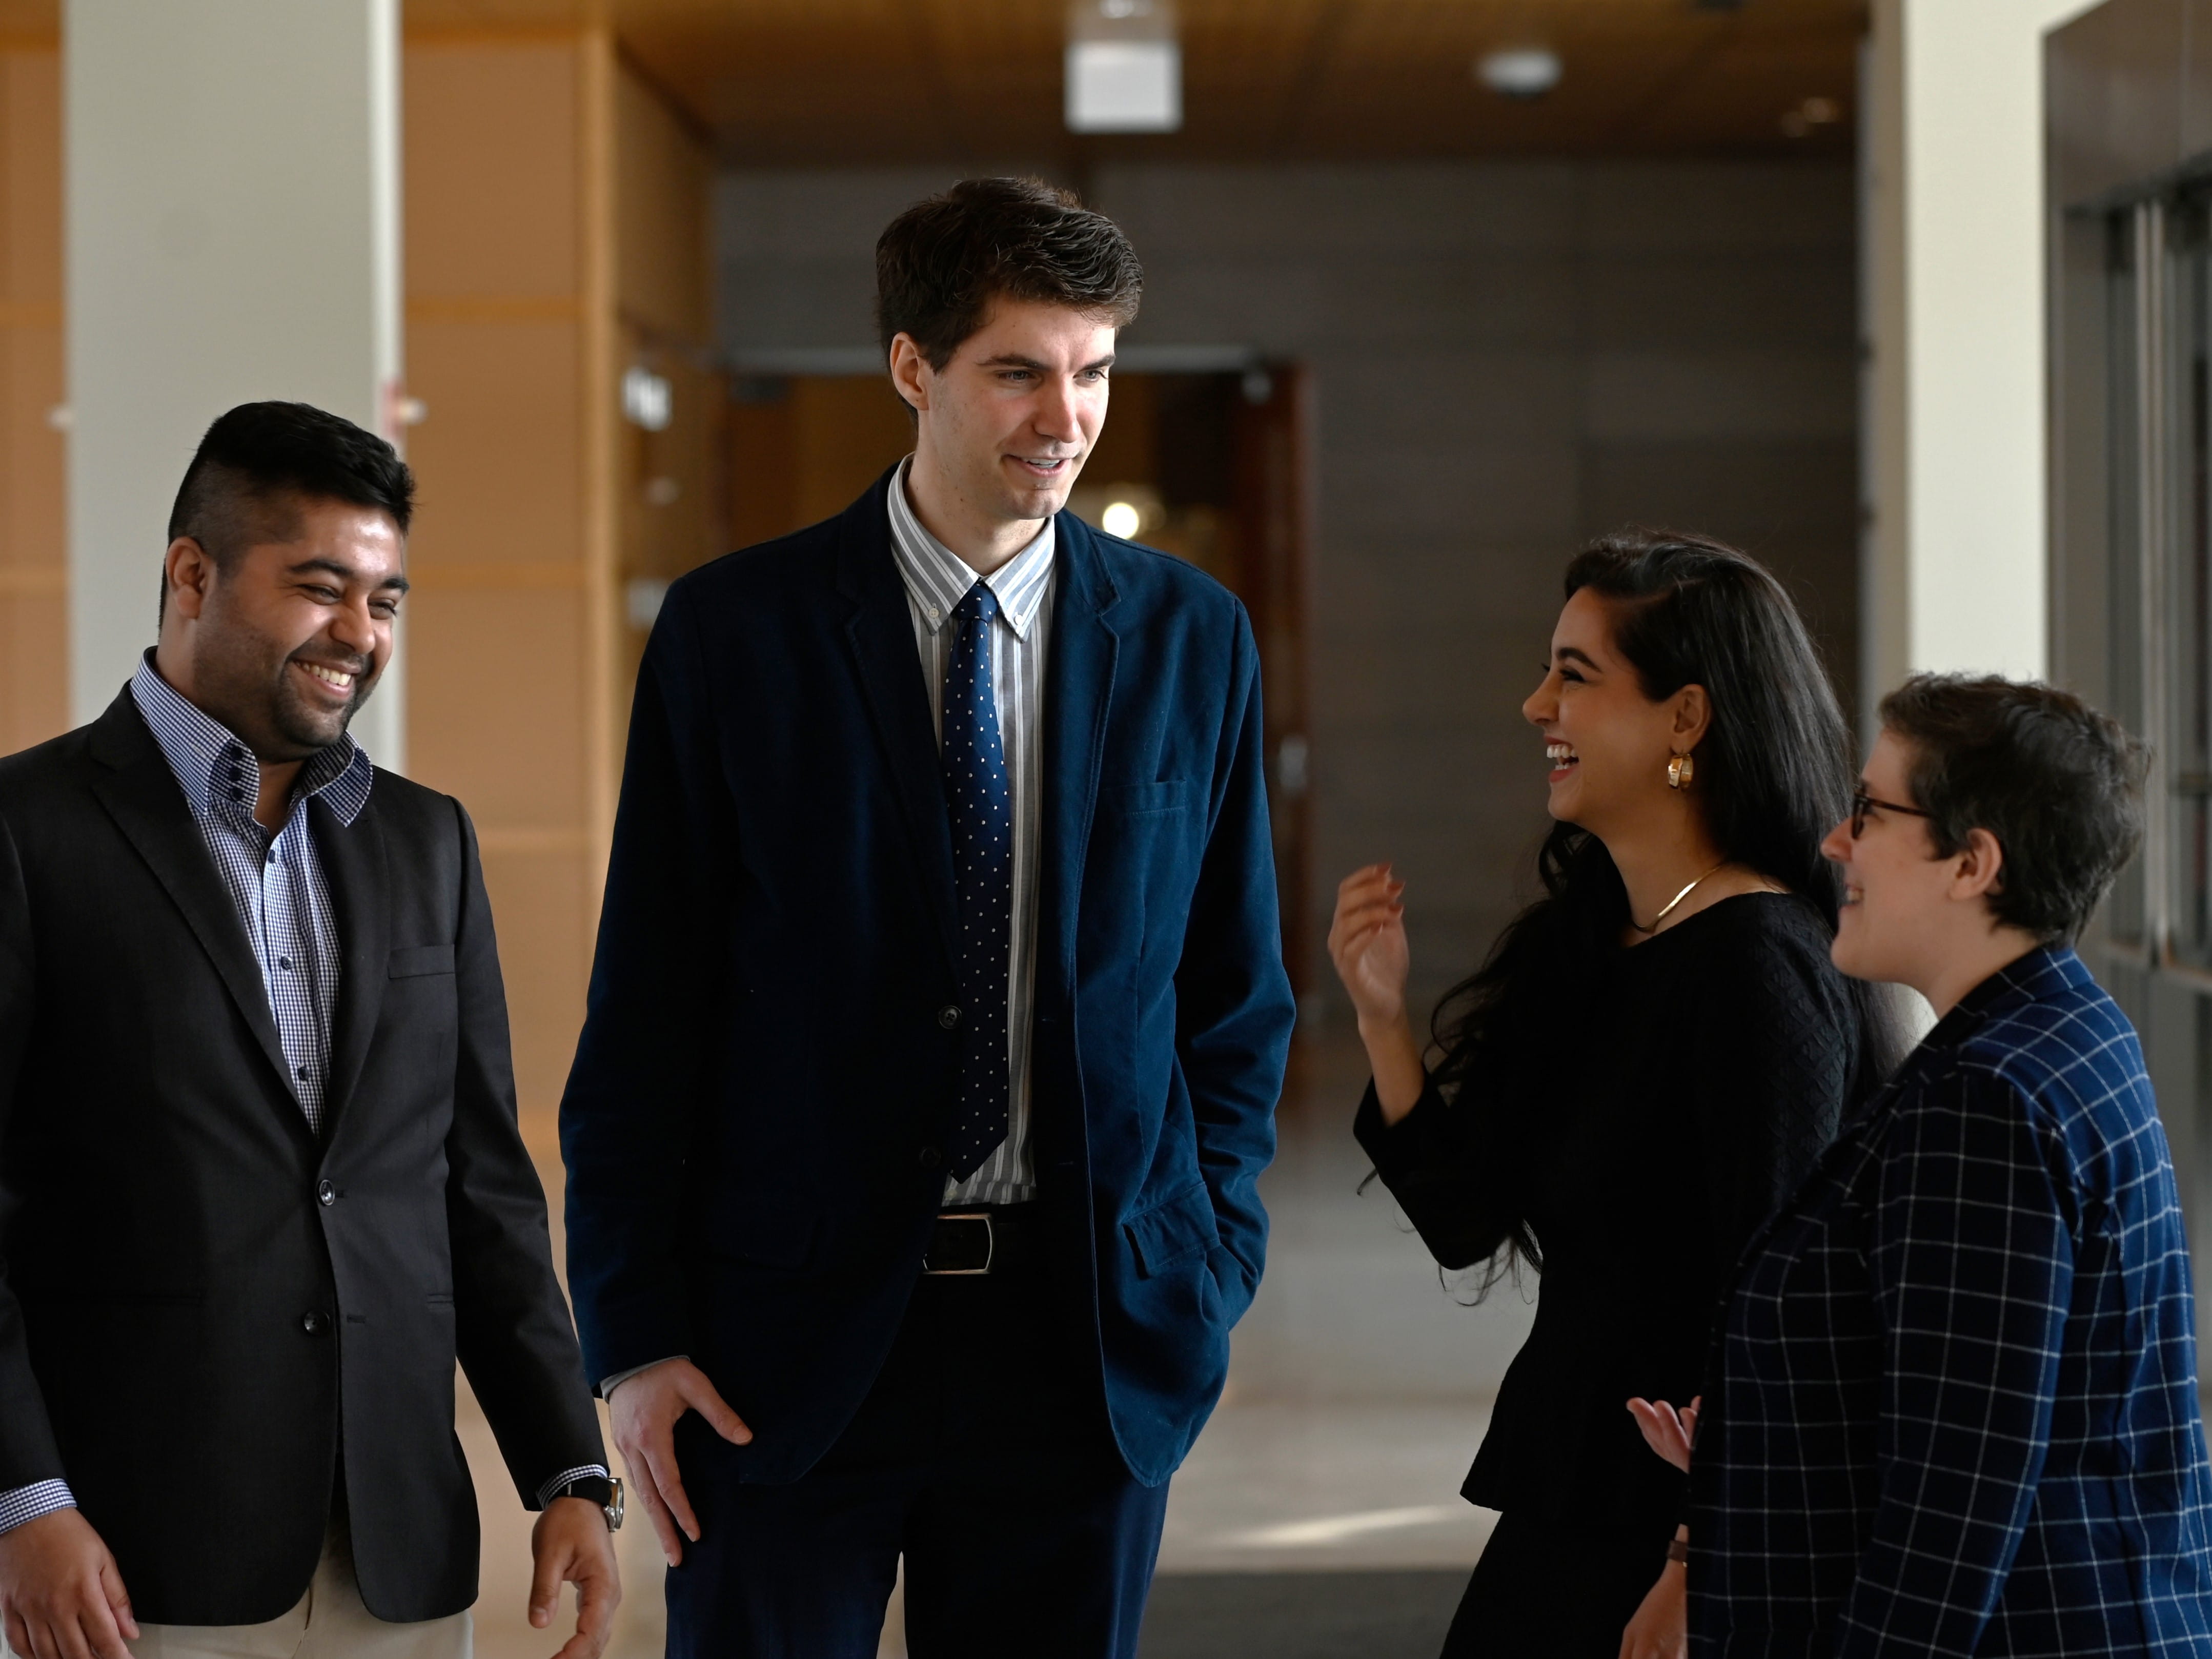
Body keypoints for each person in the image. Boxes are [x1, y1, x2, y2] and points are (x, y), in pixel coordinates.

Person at [558, 177, 1295, 1658]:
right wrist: (633, 1338)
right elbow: (647, 1010)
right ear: (912, 366)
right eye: (1019, 371)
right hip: (782, 1345)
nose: (1066, 417)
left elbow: (1233, 996)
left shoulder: (1189, 635)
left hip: (1082, 1336)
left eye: (1093, 371)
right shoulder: (737, 632)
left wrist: (1204, 1261)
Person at [0, 403, 621, 1659]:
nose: (360, 633)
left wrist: (567, 1466)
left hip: (396, 1551)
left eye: (384, 600)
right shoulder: (27, 829)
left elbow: (481, 1188)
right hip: (132, 1556)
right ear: (193, 574)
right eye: (321, 587)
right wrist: (26, 1500)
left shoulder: (428, 840)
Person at [1329, 529, 1900, 1659]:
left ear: (1685, 719)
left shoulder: (1757, 964)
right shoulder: (1598, 935)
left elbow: (1775, 1307)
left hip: (1685, 1516)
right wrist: (1381, 1016)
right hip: (1584, 1479)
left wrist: (1697, 1558)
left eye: (1574, 675)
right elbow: (1464, 1217)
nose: (1536, 704)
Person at [1646, 673, 2212, 1655]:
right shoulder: (2065, 1028)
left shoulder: (1986, 1098)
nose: (1837, 841)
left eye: (1870, 811)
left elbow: (1949, 1518)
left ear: (1972, 863)